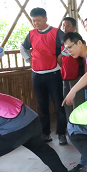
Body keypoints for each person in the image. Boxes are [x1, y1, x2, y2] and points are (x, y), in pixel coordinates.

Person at [19, 8, 68, 144]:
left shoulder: (56, 32)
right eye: (33, 21)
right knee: (42, 106)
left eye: (38, 20)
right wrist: (28, 59)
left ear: (45, 19)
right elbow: (23, 47)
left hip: (53, 74)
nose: (36, 23)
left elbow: (69, 44)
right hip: (37, 75)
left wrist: (61, 55)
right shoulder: (31, 34)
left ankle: (61, 133)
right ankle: (45, 133)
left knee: (59, 104)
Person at [60, 17, 87, 113]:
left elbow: (85, 60)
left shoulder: (79, 41)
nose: (64, 28)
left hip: (77, 75)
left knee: (78, 102)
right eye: (63, 25)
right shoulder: (62, 41)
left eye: (68, 25)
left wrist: (85, 75)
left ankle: (78, 122)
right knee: (67, 102)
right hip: (65, 76)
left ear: (74, 27)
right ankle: (69, 122)